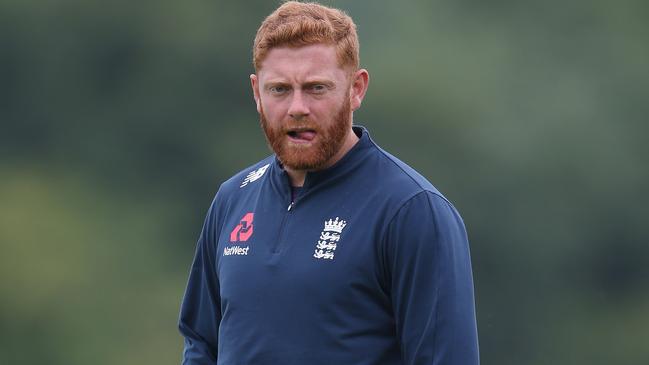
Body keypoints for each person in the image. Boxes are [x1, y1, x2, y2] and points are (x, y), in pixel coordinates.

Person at [178, 2, 479, 364]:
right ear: (257, 93)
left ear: (356, 88)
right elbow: (200, 344)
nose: (297, 107)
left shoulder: (412, 210)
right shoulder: (232, 199)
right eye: (279, 89)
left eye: (316, 88)